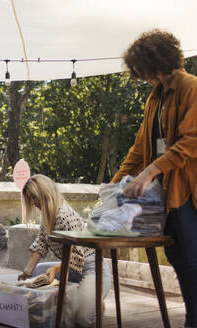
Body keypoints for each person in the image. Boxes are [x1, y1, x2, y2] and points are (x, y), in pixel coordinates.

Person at [113, 29, 197, 327]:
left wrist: (151, 171)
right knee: (178, 258)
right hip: (166, 194)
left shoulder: (191, 88)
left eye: (143, 71)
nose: (143, 78)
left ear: (156, 62)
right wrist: (115, 183)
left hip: (188, 191)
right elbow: (140, 147)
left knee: (191, 259)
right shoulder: (155, 97)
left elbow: (191, 141)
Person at [17, 174, 111, 327]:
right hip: (71, 269)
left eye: (34, 197)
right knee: (37, 273)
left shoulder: (64, 216)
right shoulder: (48, 215)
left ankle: (93, 300)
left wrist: (56, 274)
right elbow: (41, 242)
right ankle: (81, 296)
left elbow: (76, 256)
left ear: (45, 193)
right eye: (29, 199)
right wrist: (28, 272)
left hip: (91, 269)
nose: (32, 203)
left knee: (82, 320)